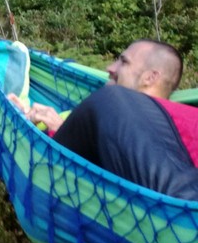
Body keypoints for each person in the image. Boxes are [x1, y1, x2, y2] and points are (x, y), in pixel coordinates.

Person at [14, 39, 198, 200]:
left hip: (180, 212)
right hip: (153, 209)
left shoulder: (114, 101)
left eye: (123, 62)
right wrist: (21, 118)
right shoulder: (99, 114)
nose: (110, 68)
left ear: (150, 77)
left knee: (111, 99)